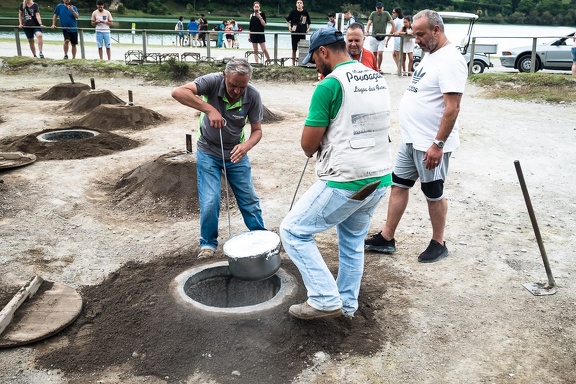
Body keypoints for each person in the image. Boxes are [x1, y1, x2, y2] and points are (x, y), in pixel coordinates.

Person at [280, 27, 392, 320]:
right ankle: (347, 306)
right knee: (352, 242)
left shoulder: (329, 86)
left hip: (348, 178)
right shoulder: (375, 76)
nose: (315, 66)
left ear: (323, 52)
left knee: (293, 231)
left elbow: (308, 146)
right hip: (380, 177)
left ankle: (324, 298)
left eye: (315, 60)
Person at [365, 10, 468, 263]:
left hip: (430, 143)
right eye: (414, 34)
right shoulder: (430, 55)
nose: (417, 39)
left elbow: (452, 107)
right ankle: (387, 237)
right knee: (399, 183)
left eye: (420, 34)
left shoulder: (451, 59)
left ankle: (438, 242)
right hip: (411, 139)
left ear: (436, 30)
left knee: (433, 191)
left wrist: (438, 144)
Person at [171, 59, 266, 259]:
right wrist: (209, 109)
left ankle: (261, 239)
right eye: (233, 85)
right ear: (224, 75)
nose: (237, 91)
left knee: (249, 198)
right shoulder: (212, 82)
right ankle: (208, 244)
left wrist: (246, 146)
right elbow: (178, 92)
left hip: (236, 153)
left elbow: (257, 131)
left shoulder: (253, 95)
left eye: (243, 86)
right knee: (210, 199)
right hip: (208, 151)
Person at [365, 2, 395, 71]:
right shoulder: (373, 13)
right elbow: (369, 23)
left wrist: (393, 31)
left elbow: (392, 23)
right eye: (378, 8)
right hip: (374, 36)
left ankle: (379, 67)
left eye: (380, 8)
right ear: (376, 8)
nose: (379, 9)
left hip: (382, 37)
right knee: (374, 54)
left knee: (380, 53)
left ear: (383, 8)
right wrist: (367, 31)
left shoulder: (386, 13)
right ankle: (375, 67)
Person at [285, 0, 311, 65]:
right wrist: (289, 27)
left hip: (302, 33)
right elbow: (287, 20)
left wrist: (308, 29)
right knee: (294, 49)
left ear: (303, 5)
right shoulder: (293, 12)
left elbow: (309, 23)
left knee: (302, 48)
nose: (299, 4)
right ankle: (293, 63)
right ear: (296, 4)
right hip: (294, 33)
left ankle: (302, 63)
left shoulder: (305, 12)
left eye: (300, 3)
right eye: (298, 3)